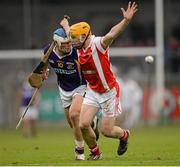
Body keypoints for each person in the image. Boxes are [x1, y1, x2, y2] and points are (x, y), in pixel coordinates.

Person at [61, 1, 138, 160]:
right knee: (83, 124)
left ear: (84, 36)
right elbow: (71, 32)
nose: (72, 41)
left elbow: (112, 33)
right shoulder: (79, 47)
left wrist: (126, 20)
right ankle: (95, 152)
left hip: (109, 92)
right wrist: (65, 25)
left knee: (106, 131)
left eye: (75, 38)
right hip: (93, 91)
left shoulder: (98, 44)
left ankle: (124, 135)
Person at [43, 27, 99, 160]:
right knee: (73, 124)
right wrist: (44, 72)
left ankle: (79, 151)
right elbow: (45, 61)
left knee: (74, 115)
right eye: (64, 44)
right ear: (56, 43)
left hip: (81, 86)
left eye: (69, 43)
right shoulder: (48, 50)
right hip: (63, 89)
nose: (68, 46)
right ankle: (92, 121)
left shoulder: (76, 52)